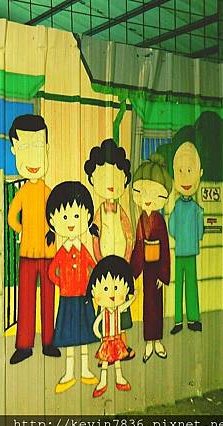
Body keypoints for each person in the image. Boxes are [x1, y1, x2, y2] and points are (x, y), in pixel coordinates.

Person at [7, 114, 60, 364]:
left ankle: (49, 342)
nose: (33, 157)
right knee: (26, 301)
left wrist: (53, 231)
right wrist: (22, 230)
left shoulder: (49, 192)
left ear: (47, 149)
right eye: (25, 148)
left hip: (48, 255)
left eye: (38, 147)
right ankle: (24, 345)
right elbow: (11, 218)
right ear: (14, 150)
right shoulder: (23, 192)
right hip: (28, 254)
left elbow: (56, 217)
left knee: (48, 299)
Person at [84, 138, 135, 361]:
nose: (111, 183)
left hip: (121, 264)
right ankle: (106, 346)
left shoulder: (121, 210)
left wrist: (127, 257)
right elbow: (95, 238)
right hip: (105, 264)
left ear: (124, 180)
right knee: (106, 306)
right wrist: (99, 261)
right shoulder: (99, 211)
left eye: (116, 177)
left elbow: (129, 235)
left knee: (122, 306)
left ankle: (123, 345)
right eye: (104, 177)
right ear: (93, 180)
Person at [46, 181, 99, 393]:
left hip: (83, 297)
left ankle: (85, 370)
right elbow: (52, 272)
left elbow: (93, 267)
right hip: (67, 298)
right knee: (68, 336)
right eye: (64, 217)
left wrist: (90, 284)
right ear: (53, 221)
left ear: (87, 217)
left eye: (76, 216)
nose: (71, 222)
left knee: (84, 334)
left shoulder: (82, 248)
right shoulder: (62, 251)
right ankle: (69, 373)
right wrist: (63, 284)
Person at [130, 154, 172, 363]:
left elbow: (165, 248)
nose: (147, 198)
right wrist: (133, 272)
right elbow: (138, 245)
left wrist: (164, 275)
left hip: (157, 267)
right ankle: (149, 342)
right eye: (143, 191)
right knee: (148, 304)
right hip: (146, 266)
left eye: (153, 193)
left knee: (158, 304)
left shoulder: (159, 221)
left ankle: (158, 341)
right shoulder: (141, 219)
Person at [87, 255, 136, 398]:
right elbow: (96, 325)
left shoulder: (118, 309)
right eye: (105, 288)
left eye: (115, 287)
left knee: (117, 360)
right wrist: (100, 336)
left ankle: (119, 379)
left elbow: (125, 305)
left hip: (116, 340)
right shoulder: (103, 312)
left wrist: (133, 297)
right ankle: (103, 382)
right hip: (107, 341)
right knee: (105, 362)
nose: (112, 294)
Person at [168, 142, 204, 334]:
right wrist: (194, 239)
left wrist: (182, 238)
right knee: (191, 285)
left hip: (181, 250)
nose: (185, 176)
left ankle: (178, 321)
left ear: (199, 173)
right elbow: (200, 231)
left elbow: (172, 228)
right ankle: (193, 319)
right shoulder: (197, 210)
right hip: (189, 251)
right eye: (181, 171)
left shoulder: (178, 208)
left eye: (189, 170)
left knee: (180, 287)